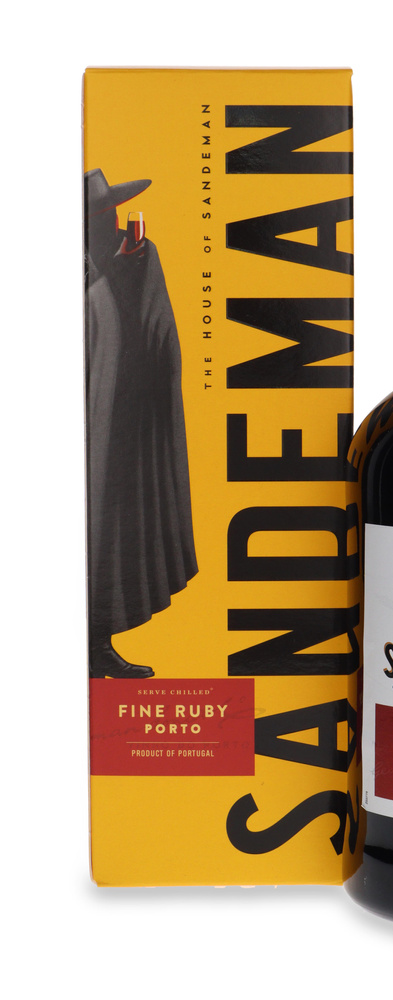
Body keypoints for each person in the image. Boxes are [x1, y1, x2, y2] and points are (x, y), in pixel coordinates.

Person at [85, 169, 198, 678]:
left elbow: (148, 326)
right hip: (78, 418)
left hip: (122, 417)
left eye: (112, 209)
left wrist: (134, 267)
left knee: (116, 522)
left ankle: (97, 645)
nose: (109, 219)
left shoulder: (128, 255)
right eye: (99, 212)